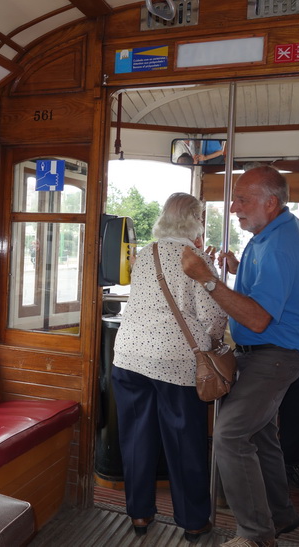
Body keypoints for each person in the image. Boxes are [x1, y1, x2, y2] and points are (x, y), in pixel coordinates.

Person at [181, 165, 299, 547]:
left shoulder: (278, 245)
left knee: (230, 435)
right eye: (234, 198)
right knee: (261, 435)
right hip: (266, 352)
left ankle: (256, 536)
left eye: (243, 199)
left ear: (271, 202)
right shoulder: (270, 234)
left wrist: (207, 278)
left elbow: (257, 319)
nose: (234, 206)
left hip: (274, 354)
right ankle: (282, 515)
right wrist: (238, 271)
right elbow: (264, 292)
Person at [111, 193, 227, 542]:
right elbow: (213, 316)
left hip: (129, 356)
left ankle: (140, 514)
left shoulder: (146, 254)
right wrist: (217, 343)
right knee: (183, 441)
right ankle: (193, 521)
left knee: (135, 438)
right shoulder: (198, 259)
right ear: (196, 220)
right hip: (175, 363)